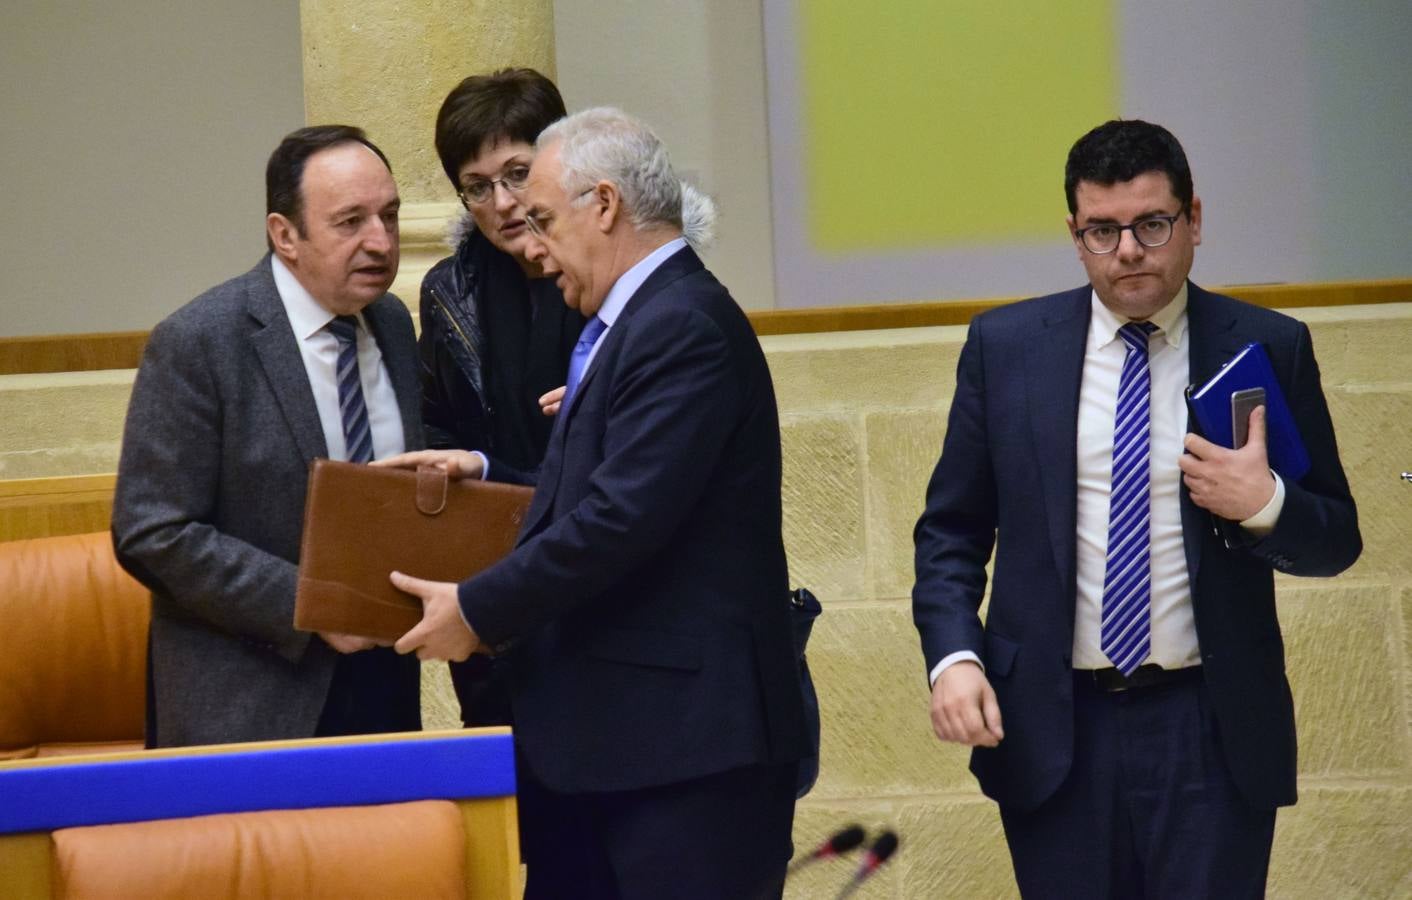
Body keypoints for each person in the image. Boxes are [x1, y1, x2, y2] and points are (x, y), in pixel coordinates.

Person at [912, 119, 1360, 898]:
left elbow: (1335, 540)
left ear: (1194, 219)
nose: (1128, 250)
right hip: (1057, 726)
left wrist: (1266, 506)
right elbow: (950, 531)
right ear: (1074, 233)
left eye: (1152, 224)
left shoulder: (1265, 346)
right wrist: (955, 658)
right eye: (1102, 230)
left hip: (1209, 728)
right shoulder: (1006, 347)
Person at [380, 108, 809, 899]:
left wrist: (475, 609)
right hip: (626, 748)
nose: (534, 250)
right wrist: (485, 473)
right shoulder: (639, 322)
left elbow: (619, 520)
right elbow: (590, 497)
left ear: (604, 205)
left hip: (687, 759)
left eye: (542, 218)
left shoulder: (680, 325)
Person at [112, 125, 423, 747]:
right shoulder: (200, 342)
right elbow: (151, 530)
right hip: (250, 702)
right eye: (350, 221)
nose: (380, 242)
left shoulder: (389, 322)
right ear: (285, 235)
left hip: (384, 692)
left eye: (389, 216)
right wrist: (310, 604)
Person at [420, 68, 584, 727]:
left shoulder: (621, 277)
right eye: (477, 187)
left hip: (596, 569)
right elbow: (435, 429)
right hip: (495, 582)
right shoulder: (448, 291)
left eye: (517, 173)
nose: (502, 203)